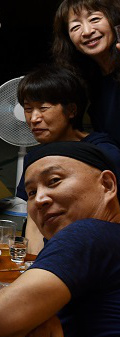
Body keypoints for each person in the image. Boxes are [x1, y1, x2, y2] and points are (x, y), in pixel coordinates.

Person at [0, 142, 120, 337]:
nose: (39, 199)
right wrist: (39, 314)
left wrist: (27, 318)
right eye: (31, 192)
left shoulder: (88, 233)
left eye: (54, 181)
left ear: (107, 184)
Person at [15, 65, 120, 254]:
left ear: (71, 110)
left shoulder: (102, 151)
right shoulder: (35, 159)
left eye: (43, 108)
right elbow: (34, 224)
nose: (34, 118)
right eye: (28, 109)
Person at [52, 0, 120, 146]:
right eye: (75, 27)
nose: (87, 31)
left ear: (114, 21)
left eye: (95, 19)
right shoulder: (88, 81)